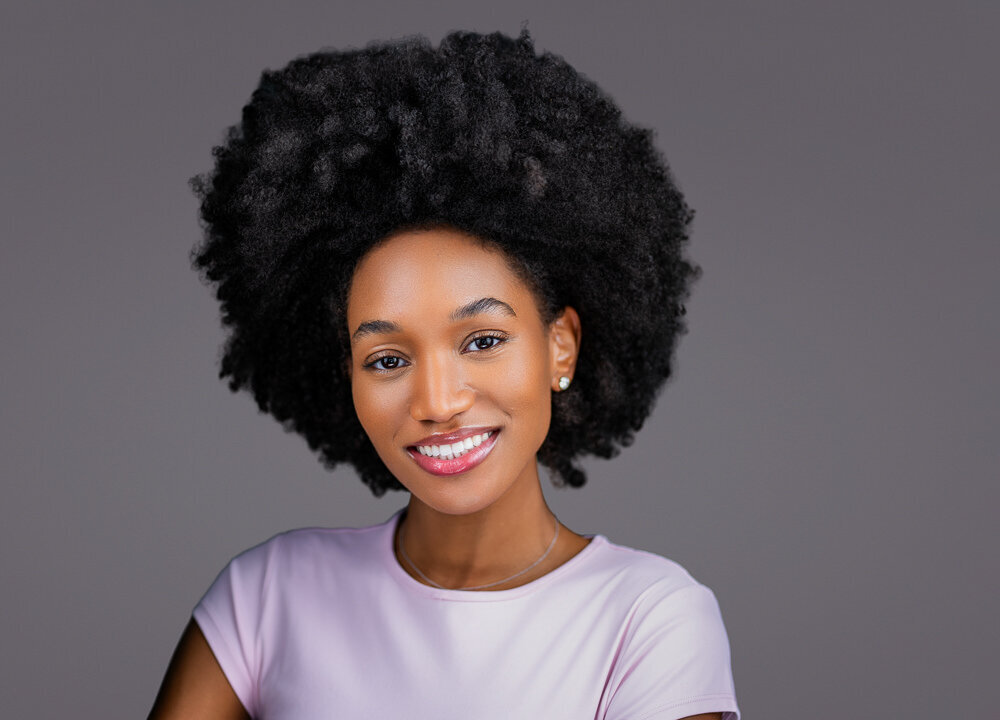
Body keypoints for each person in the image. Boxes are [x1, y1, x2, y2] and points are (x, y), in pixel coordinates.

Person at [148, 29, 740, 720]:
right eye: (388, 360)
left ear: (561, 347)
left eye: (482, 339)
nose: (437, 401)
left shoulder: (649, 618)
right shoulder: (267, 596)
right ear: (347, 375)